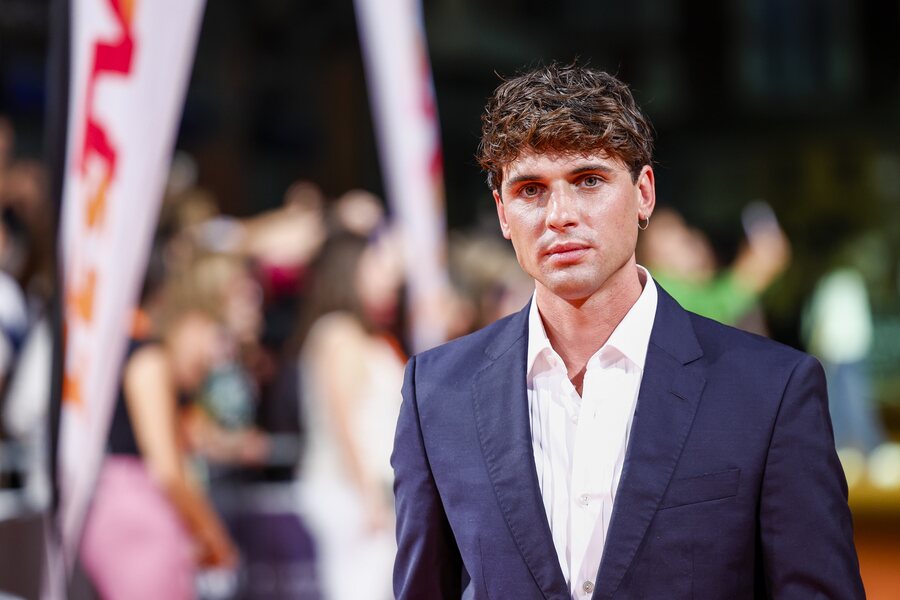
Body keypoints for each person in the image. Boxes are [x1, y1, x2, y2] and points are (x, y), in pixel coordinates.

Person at [391, 63, 864, 599]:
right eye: (530, 189)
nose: (559, 215)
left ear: (644, 193)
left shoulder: (770, 390)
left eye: (589, 181)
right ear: (503, 213)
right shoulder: (437, 394)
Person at [295, 230, 405, 599]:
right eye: (378, 267)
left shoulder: (363, 336)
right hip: (349, 492)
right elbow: (343, 422)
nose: (391, 280)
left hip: (367, 491)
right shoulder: (339, 335)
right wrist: (367, 496)